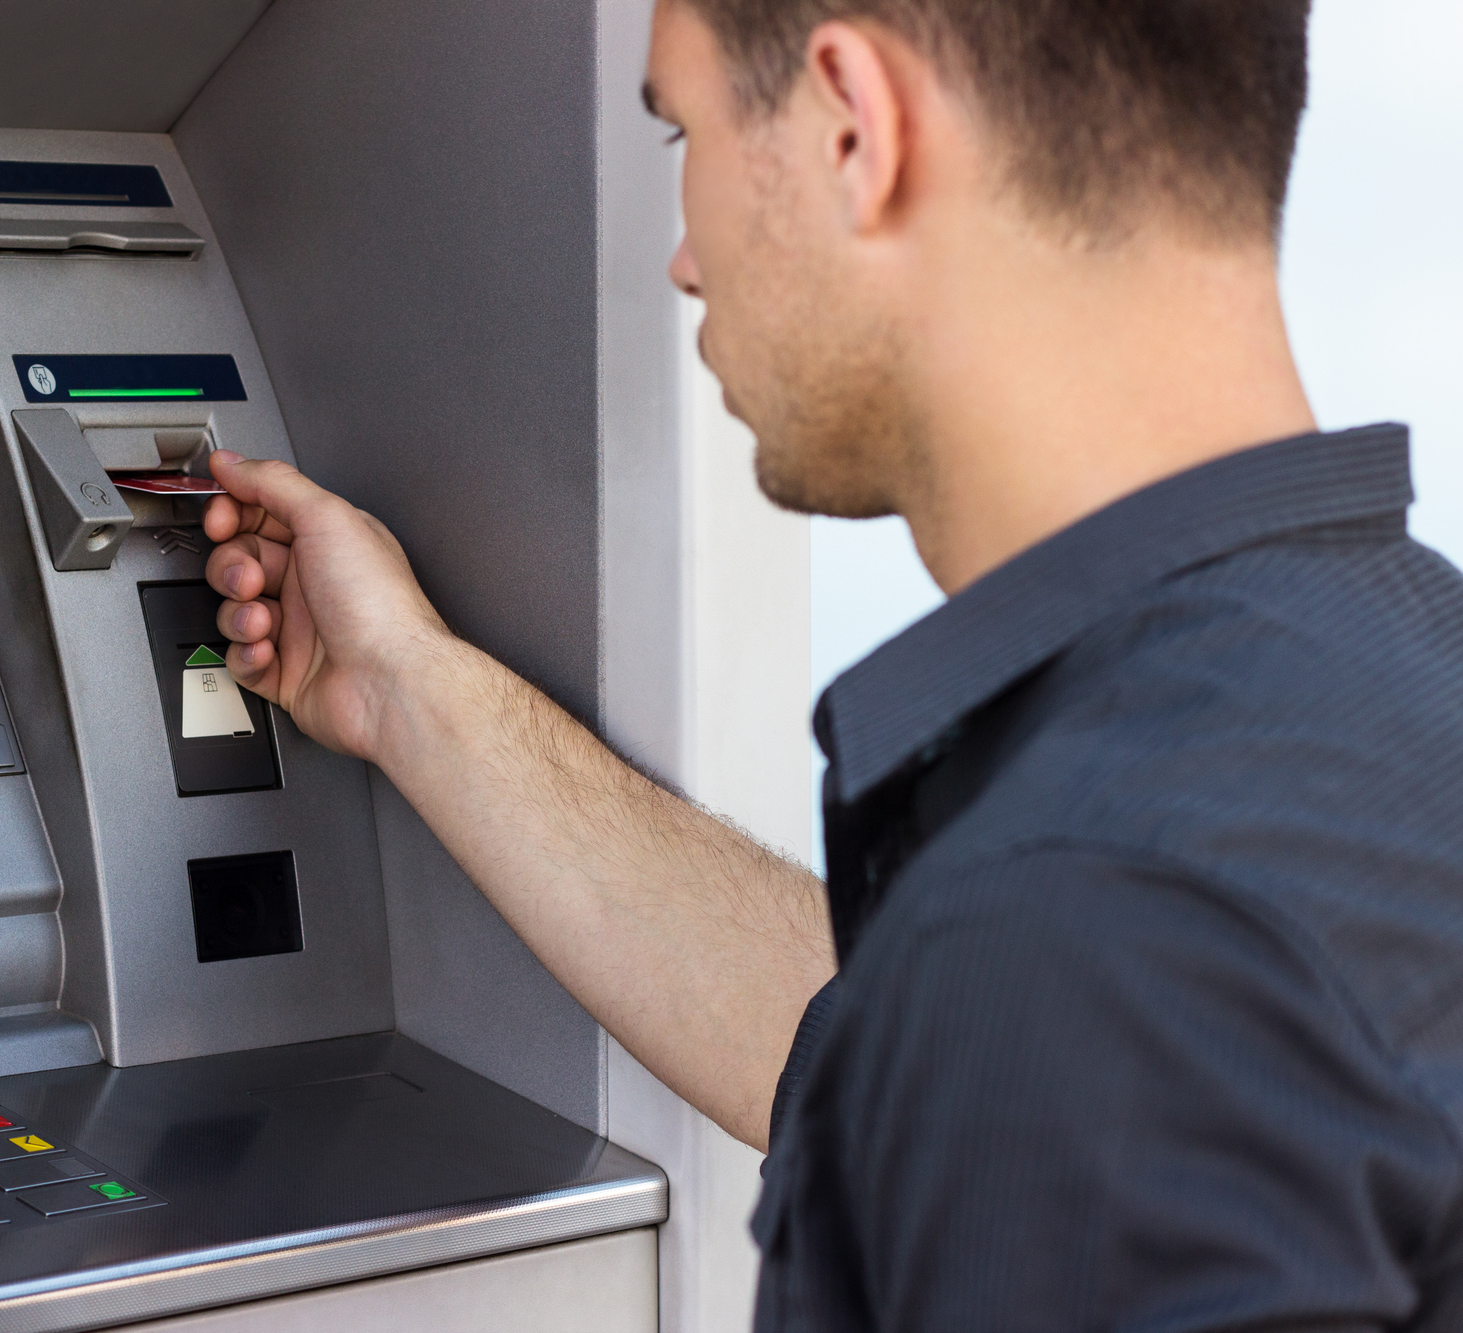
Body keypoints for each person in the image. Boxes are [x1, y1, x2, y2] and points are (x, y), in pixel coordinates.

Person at [201, 0, 1463, 1327]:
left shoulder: (1082, 939)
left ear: (858, 125)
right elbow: (907, 1042)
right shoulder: (1375, 693)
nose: (685, 262)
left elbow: (1040, 1013)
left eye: (684, 128)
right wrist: (409, 687)